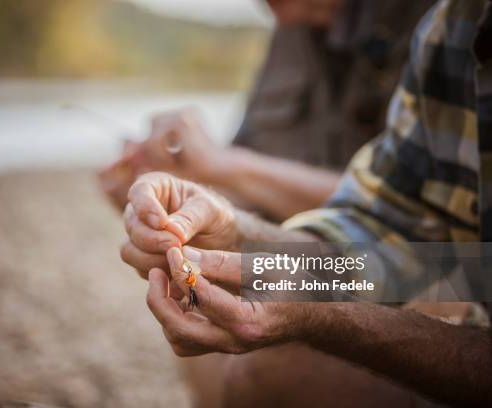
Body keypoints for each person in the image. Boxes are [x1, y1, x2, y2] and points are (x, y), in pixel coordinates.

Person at [120, 0, 492, 406]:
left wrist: (317, 313)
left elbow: (436, 259)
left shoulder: (420, 17)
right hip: (345, 253)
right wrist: (227, 229)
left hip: (452, 285)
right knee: (264, 369)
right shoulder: (451, 26)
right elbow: (390, 231)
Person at [99, 0, 435, 222]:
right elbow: (243, 190)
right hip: (317, 271)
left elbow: (417, 221)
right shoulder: (289, 26)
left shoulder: (441, 22)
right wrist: (170, 191)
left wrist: (226, 165)